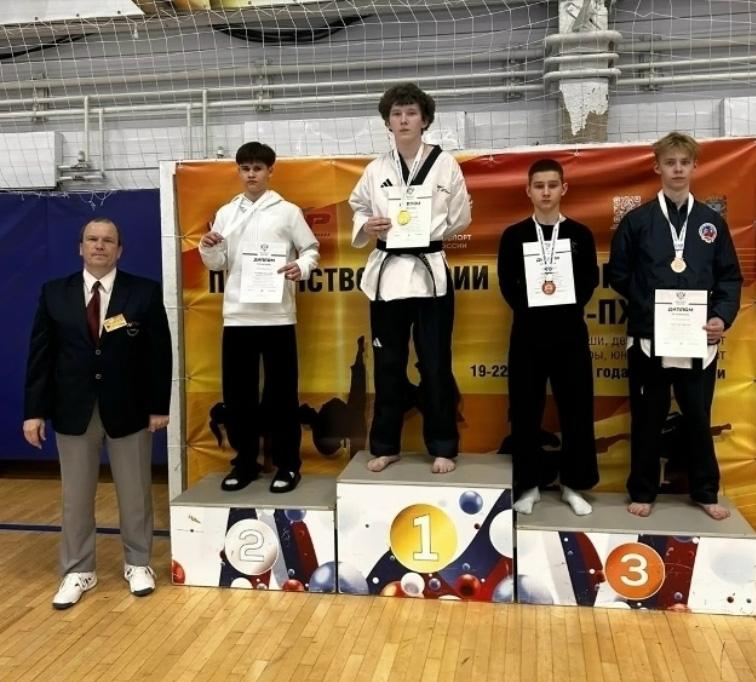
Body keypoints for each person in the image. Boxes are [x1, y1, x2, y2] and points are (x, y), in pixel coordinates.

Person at [23, 217, 172, 609]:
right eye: (92, 239)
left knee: (135, 492)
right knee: (75, 497)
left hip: (129, 410)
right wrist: (34, 412)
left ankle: (138, 563)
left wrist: (159, 406)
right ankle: (78, 570)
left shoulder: (144, 292)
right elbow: (40, 357)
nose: (100, 245)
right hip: (73, 410)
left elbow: (159, 353)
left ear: (120, 249)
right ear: (81, 247)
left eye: (108, 240)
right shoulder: (54, 293)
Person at [607, 132, 742, 520]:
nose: (678, 169)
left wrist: (720, 317)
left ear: (694, 166)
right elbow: (619, 274)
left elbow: (729, 277)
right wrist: (654, 312)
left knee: (698, 418)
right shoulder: (637, 221)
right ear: (658, 168)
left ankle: (705, 491)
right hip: (649, 340)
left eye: (684, 162)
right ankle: (643, 490)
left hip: (698, 341)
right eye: (670, 163)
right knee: (648, 419)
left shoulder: (711, 223)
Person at [349, 82, 472, 474]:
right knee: (388, 363)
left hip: (430, 271)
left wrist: (428, 233)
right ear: (388, 122)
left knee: (435, 362)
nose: (403, 120)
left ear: (425, 120)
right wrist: (368, 224)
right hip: (388, 275)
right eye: (397, 114)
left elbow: (461, 216)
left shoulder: (446, 164)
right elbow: (358, 207)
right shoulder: (375, 169)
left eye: (411, 113)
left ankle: (443, 445)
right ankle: (386, 445)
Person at [199, 141, 319, 493]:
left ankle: (288, 465)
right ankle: (245, 463)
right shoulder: (226, 213)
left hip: (278, 317)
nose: (251, 174)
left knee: (282, 396)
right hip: (238, 318)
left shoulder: (288, 212)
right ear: (238, 171)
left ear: (270, 171)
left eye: (258, 168)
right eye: (245, 168)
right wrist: (208, 247)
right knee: (239, 397)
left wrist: (301, 267)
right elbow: (218, 263)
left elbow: (311, 249)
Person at [497, 159, 600, 515]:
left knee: (577, 410)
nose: (545, 192)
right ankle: (529, 485)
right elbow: (507, 284)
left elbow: (588, 282)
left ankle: (574, 484)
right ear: (528, 190)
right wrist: (534, 306)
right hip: (527, 333)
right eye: (539, 186)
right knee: (525, 412)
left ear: (563, 189)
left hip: (570, 333)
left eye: (552, 185)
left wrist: (561, 305)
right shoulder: (513, 236)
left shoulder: (580, 235)